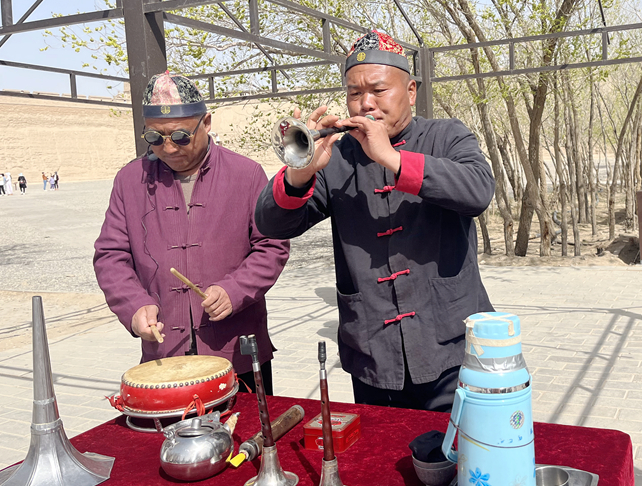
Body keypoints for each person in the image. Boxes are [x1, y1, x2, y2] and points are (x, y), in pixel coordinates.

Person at [255, 30, 495, 412]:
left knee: (461, 446)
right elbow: (271, 225)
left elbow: (478, 190)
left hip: (451, 349)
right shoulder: (337, 156)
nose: (365, 103)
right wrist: (301, 172)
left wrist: (393, 159)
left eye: (378, 90)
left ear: (410, 91)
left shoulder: (447, 136)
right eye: (354, 93)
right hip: (372, 355)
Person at [94, 71, 290, 395]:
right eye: (155, 138)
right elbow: (110, 256)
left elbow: (271, 246)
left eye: (181, 136)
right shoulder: (129, 181)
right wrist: (134, 306)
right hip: (165, 357)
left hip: (236, 352)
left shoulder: (246, 174)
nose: (169, 148)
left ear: (206, 123)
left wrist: (234, 290)